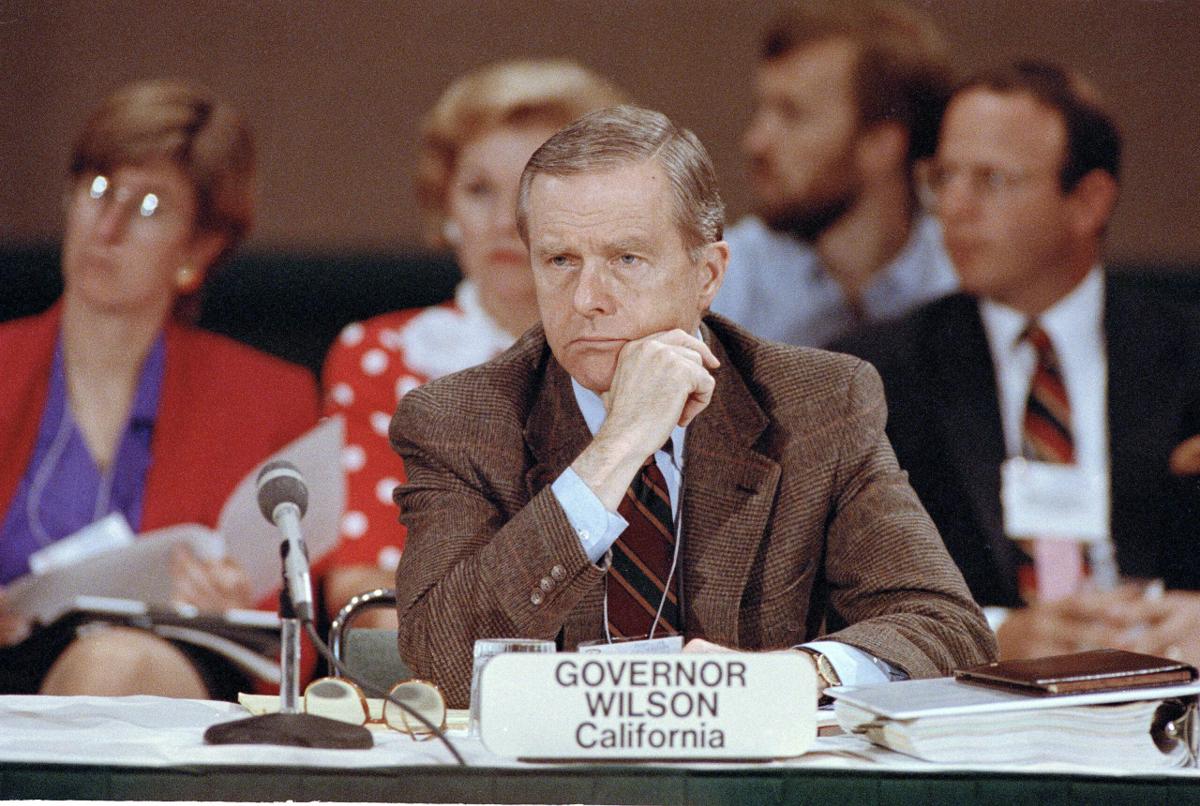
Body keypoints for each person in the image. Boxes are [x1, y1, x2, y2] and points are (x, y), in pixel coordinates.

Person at [389, 105, 995, 708]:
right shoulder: (459, 420)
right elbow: (443, 663)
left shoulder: (817, 404)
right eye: (560, 260)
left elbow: (944, 625)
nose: (587, 299)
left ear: (707, 274)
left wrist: (791, 675)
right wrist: (616, 448)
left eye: (627, 259)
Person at [836, 61, 1200, 663]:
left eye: (992, 180)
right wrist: (997, 633)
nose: (954, 206)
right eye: (943, 177)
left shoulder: (1185, 354)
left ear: (1088, 201)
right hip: (979, 711)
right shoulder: (876, 372)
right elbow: (843, 591)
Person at [0, 79, 319, 698]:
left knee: (111, 665)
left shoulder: (267, 397)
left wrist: (240, 602)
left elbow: (293, 642)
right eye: (98, 191)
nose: (108, 226)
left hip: (162, 672)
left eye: (148, 207)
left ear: (197, 250)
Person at [320, 60, 626, 623]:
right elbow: (360, 587)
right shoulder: (381, 354)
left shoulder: (650, 356)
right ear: (445, 207)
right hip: (429, 667)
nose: (504, 222)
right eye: (479, 190)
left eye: (534, 190)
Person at [711, 0, 957, 347]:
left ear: (880, 145)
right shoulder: (721, 280)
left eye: (792, 114)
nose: (755, 142)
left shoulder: (960, 281)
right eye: (763, 110)